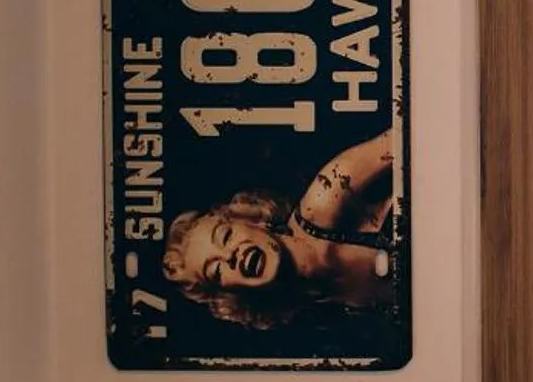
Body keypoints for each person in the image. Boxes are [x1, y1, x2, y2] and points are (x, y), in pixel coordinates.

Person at [161, 130, 398, 329]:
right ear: (231, 293)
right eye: (216, 271)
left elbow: (412, 132)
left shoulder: (328, 195)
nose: (230, 256)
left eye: (226, 236)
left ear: (252, 220)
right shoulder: (320, 320)